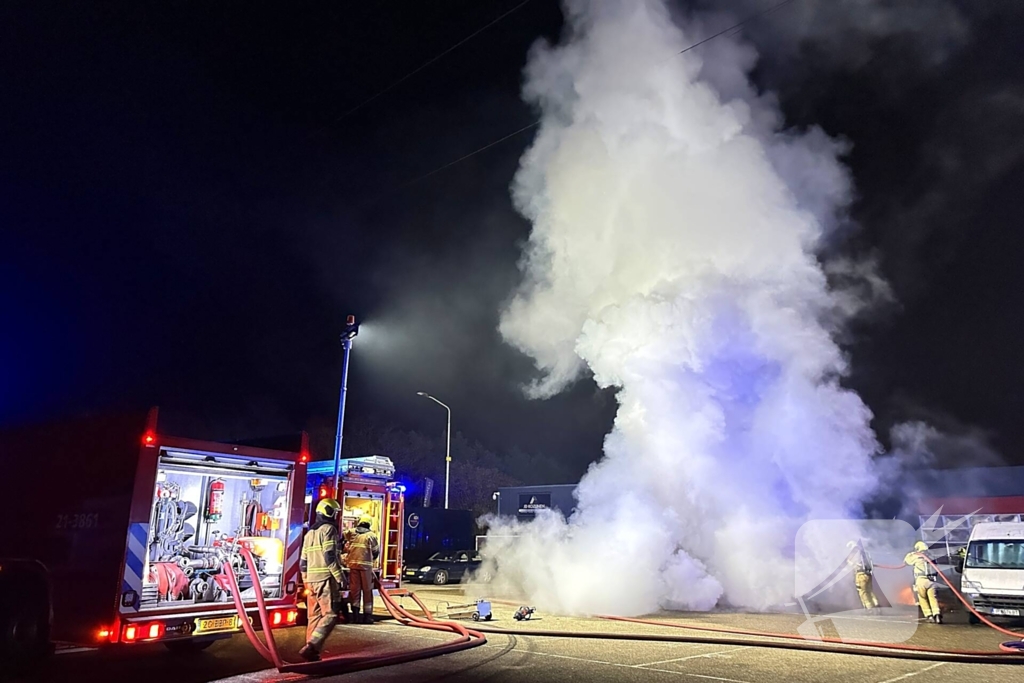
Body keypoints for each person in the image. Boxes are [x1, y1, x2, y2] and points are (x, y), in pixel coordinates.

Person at [298, 498, 345, 661]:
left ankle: (310, 652)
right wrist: (340, 577)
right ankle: (313, 646)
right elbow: (330, 557)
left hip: (311, 580)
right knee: (331, 615)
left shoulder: (310, 532)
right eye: (335, 512)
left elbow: (302, 562)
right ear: (328, 511)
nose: (336, 516)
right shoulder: (329, 529)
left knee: (314, 617)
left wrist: (306, 580)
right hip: (325, 578)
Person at [343, 514, 380, 624]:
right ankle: (367, 617)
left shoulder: (352, 532)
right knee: (367, 591)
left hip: (353, 566)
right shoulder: (371, 535)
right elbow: (376, 551)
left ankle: (355, 616)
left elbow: (343, 537)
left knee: (355, 591)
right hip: (365, 567)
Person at [904, 540, 942, 624]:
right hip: (932, 581)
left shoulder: (916, 557)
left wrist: (911, 554)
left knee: (922, 598)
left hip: (921, 580)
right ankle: (937, 615)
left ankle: (929, 615)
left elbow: (906, 561)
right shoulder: (931, 556)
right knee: (933, 598)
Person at [846, 540, 879, 614]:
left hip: (860, 575)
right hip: (868, 574)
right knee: (869, 591)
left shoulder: (855, 552)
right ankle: (877, 606)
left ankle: (869, 609)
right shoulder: (865, 552)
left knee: (863, 592)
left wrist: (850, 563)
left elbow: (851, 562)